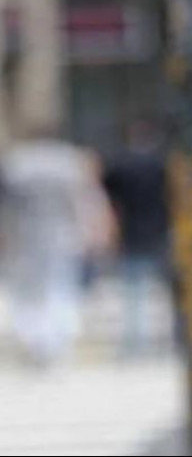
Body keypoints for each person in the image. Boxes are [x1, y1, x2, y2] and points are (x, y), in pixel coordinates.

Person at [0, 127, 116, 367]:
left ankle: (37, 342)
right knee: (60, 288)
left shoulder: (17, 163)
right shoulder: (70, 162)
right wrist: (94, 232)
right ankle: (54, 342)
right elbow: (86, 202)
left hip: (27, 237)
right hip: (62, 237)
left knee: (31, 291)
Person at [102, 120, 173, 358]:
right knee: (168, 292)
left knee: (135, 293)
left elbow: (109, 199)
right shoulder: (161, 165)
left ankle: (135, 344)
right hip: (160, 231)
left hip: (131, 232)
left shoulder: (121, 166)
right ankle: (170, 340)